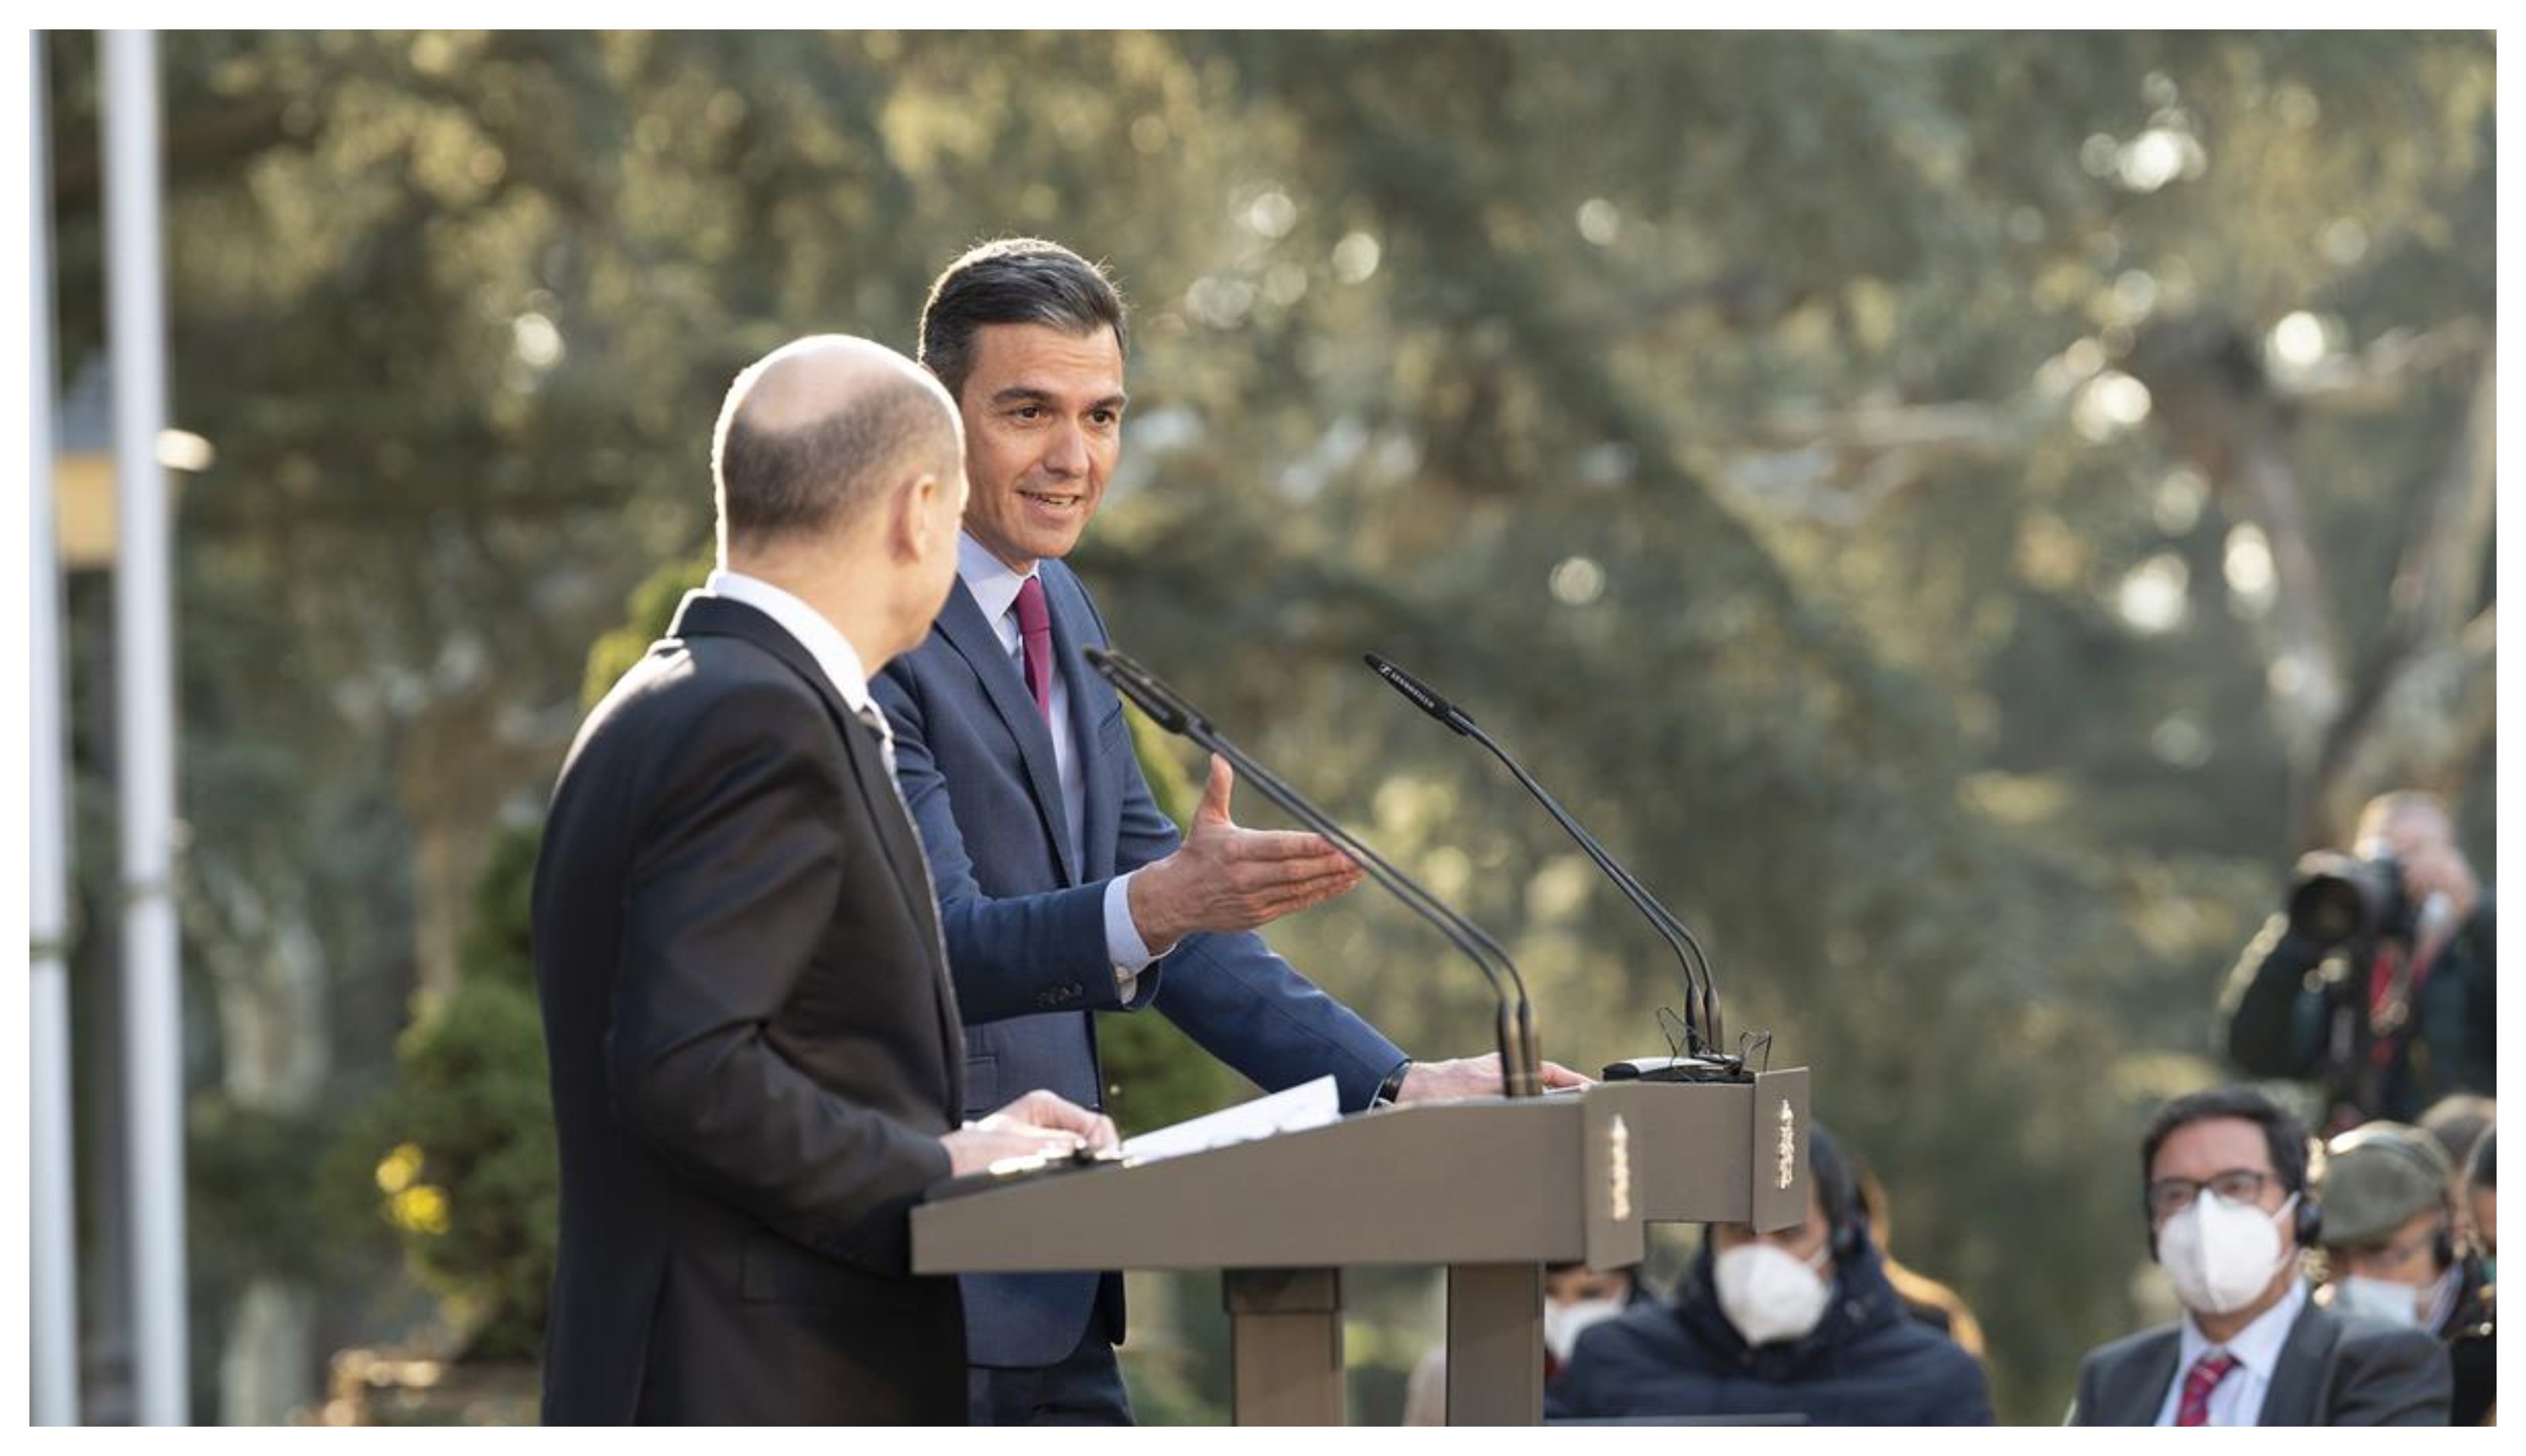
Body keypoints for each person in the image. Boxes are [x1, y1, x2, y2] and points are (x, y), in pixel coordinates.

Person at [871, 238, 1583, 1425]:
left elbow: (1174, 922)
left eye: (1103, 415)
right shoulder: (884, 622)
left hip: (1060, 1276)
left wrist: (1390, 1084)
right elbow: (938, 943)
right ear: (935, 419)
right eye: (1028, 411)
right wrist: (1156, 906)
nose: (1073, 456)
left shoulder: (1062, 603)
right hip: (917, 1284)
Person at [531, 336, 1115, 1424]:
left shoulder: (665, 697)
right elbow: (688, 1069)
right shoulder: (762, 723)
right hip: (760, 1382)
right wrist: (933, 1166)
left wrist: (967, 1141)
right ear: (919, 509)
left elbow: (765, 1041)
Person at [1548, 1124, 1995, 1425]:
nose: (1761, 1256)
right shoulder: (1614, 1359)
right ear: (1710, 1235)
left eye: (1789, 1234)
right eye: (1741, 1232)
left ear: (1841, 1236)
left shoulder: (1934, 1381)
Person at [2068, 1085, 2449, 1425]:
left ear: (2301, 1213)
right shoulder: (2112, 1377)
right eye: (2177, 1193)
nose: (2205, 1217)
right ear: (2154, 1226)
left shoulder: (2383, 1365)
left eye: (2236, 1186)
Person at [2222, 791, 2494, 1129]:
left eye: (2418, 851)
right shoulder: (2342, 976)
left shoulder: (2476, 960)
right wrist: (2305, 925)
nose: (2401, 870)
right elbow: (2253, 1052)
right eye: (2383, 854)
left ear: (2455, 861)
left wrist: (2477, 912)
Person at [2314, 1120, 2495, 1424]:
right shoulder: (2301, 1341)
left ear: (2450, 1235)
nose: (2355, 1278)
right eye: (2337, 1258)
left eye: (2382, 1255)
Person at [1400, 1263, 1642, 1425]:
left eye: (1590, 1294)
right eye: (1547, 1291)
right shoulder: (1450, 1375)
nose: (1567, 1308)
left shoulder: (1659, 1365)